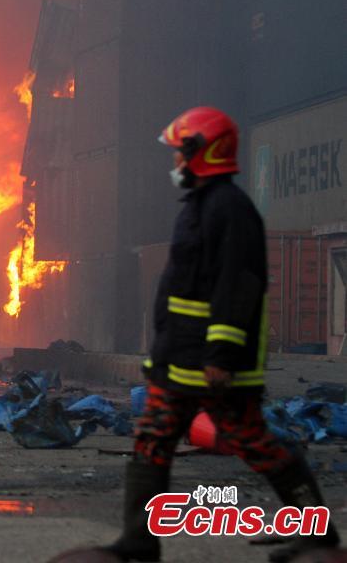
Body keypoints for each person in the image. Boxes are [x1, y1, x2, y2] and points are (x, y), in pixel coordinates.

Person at [90, 107, 339, 562]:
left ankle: (317, 534)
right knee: (152, 439)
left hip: (213, 365)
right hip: (180, 361)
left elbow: (237, 285)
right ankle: (139, 541)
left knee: (255, 444)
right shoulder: (198, 207)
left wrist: (221, 356)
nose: (175, 165)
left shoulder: (230, 210)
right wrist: (161, 355)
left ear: (202, 153)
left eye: (180, 154)